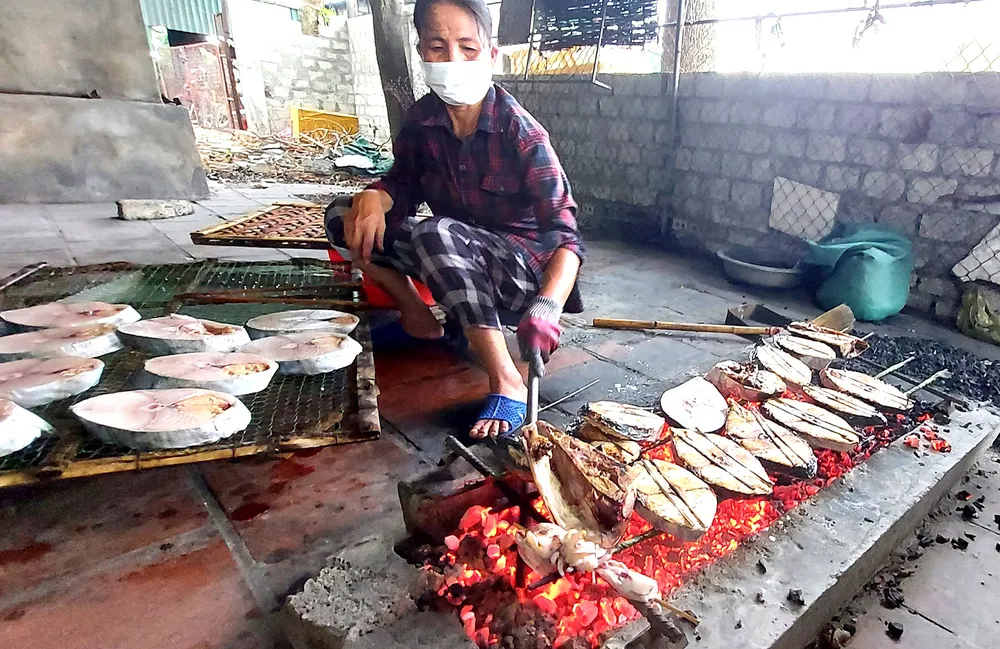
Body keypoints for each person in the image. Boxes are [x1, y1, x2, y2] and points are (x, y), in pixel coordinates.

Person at [326, 0, 584, 441]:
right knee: (342, 216)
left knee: (437, 234)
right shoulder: (423, 119)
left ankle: (507, 381)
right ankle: (419, 319)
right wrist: (373, 195)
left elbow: (566, 237)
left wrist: (548, 306)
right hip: (454, 256)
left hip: (521, 278)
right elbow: (403, 184)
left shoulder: (521, 133)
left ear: (491, 54)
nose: (452, 61)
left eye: (467, 47)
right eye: (438, 47)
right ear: (421, 52)